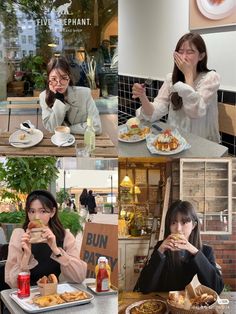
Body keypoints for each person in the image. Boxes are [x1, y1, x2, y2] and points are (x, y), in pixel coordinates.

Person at [132, 32, 220, 143]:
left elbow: (195, 112)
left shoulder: (210, 78)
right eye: (180, 52)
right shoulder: (170, 79)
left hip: (202, 142)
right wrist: (142, 96)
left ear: (201, 56)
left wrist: (188, 75)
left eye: (190, 52)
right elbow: (156, 111)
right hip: (175, 140)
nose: (183, 57)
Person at [134, 200, 224, 294]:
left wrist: (194, 251)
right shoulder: (161, 248)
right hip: (165, 305)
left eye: (184, 222)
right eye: (173, 222)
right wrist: (160, 252)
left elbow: (217, 288)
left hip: (195, 306)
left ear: (193, 225)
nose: (178, 228)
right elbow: (144, 287)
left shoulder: (206, 251)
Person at [5, 190, 87, 288]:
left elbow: (79, 277)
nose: (36, 217)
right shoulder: (19, 235)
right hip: (26, 295)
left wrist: (56, 250)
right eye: (32, 211)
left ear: (52, 212)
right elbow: (13, 284)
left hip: (53, 296)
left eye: (43, 211)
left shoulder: (64, 236)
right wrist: (26, 255)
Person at [39, 56, 102, 134]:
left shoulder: (84, 93)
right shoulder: (44, 96)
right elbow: (52, 128)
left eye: (63, 78)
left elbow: (96, 126)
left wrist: (68, 129)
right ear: (49, 80)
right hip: (58, 141)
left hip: (81, 140)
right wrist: (59, 99)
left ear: (69, 78)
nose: (59, 84)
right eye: (54, 79)